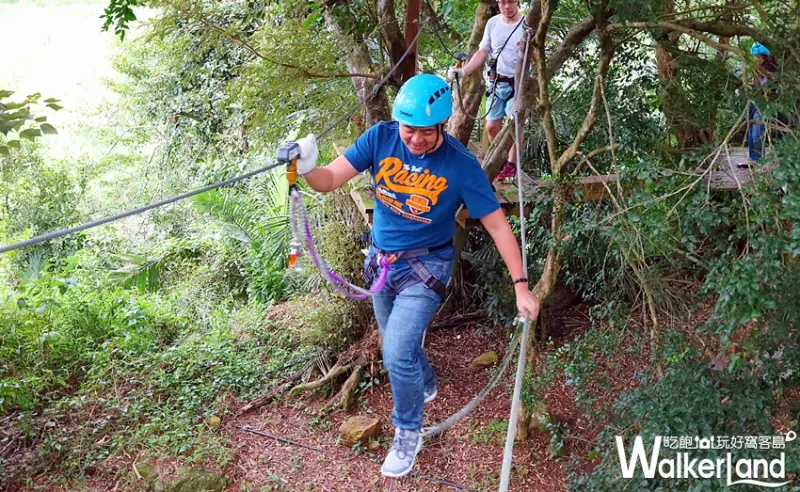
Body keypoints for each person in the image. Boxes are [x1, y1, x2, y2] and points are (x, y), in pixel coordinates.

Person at [290, 73, 540, 478]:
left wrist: (521, 287)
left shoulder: (460, 166)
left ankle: (408, 430)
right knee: (398, 346)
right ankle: (424, 381)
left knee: (396, 352)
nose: (415, 140)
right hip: (382, 264)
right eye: (409, 130)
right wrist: (305, 165)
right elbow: (330, 180)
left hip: (428, 268)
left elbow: (496, 224)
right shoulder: (380, 138)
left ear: (442, 125)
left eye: (425, 132)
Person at [448, 0, 525, 181]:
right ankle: (500, 160)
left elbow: (537, 56)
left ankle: (512, 165)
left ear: (518, 2)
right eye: (503, 2)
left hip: (519, 84)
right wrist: (463, 71)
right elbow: (483, 51)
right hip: (496, 82)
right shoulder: (493, 24)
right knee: (491, 127)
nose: (507, 6)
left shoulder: (527, 25)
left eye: (511, 2)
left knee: (515, 125)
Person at [746, 42, 777, 164]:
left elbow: (768, 88)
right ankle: (753, 159)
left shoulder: (771, 71)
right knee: (751, 133)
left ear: (765, 57)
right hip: (753, 103)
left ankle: (760, 161)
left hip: (764, 104)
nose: (756, 60)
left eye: (758, 57)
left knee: (757, 133)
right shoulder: (757, 69)